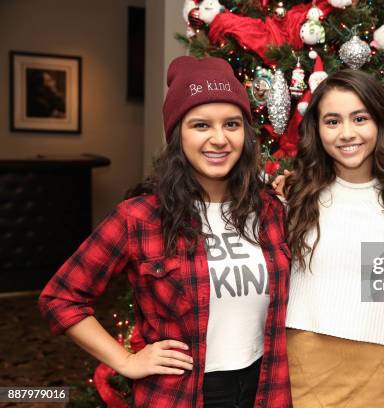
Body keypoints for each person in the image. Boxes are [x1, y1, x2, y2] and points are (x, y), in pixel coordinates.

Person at [38, 56, 292, 408]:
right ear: (177, 135)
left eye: (231, 124)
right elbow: (60, 299)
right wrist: (125, 359)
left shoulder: (271, 210)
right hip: (182, 395)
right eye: (201, 125)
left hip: (267, 388)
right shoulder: (139, 217)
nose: (219, 139)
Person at [281, 69, 384, 407]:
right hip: (301, 366)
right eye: (332, 121)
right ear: (316, 129)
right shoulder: (295, 194)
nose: (347, 133)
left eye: (359, 118)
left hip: (374, 371)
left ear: (379, 123)